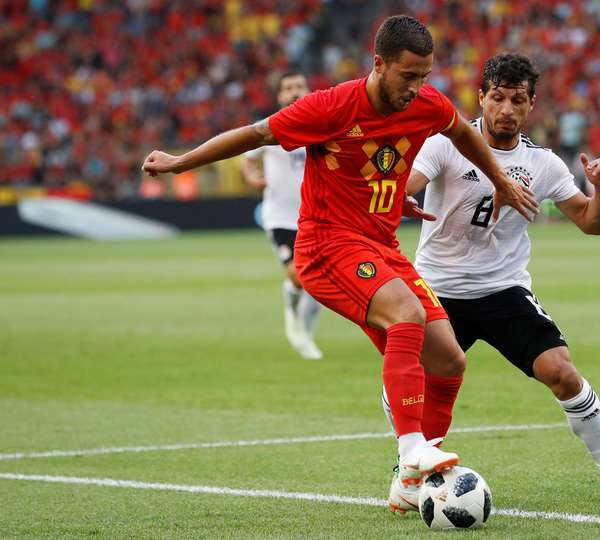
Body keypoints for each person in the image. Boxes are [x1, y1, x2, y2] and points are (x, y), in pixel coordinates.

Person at [141, 16, 538, 512]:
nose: (417, 89)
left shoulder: (427, 104)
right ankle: (412, 450)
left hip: (381, 244)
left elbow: (461, 133)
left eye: (424, 76)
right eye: (407, 76)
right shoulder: (330, 107)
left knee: (448, 358)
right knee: (407, 317)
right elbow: (256, 134)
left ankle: (409, 487)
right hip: (326, 246)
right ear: (379, 64)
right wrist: (182, 162)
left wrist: (498, 179)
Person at [389, 52, 600, 505]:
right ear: (482, 98)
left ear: (531, 105)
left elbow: (591, 223)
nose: (506, 109)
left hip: (502, 290)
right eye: (498, 98)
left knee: (563, 373)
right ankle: (409, 472)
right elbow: (404, 187)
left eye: (517, 100)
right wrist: (398, 195)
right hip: (437, 290)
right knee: (420, 381)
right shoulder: (445, 144)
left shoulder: (543, 163)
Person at [241, 72, 323, 360]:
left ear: (309, 90)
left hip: (318, 217)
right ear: (279, 96)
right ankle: (293, 310)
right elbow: (248, 159)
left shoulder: (321, 127)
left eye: (300, 86)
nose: (295, 92)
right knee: (300, 276)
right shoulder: (270, 129)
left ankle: (306, 335)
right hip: (281, 217)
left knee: (321, 280)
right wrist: (253, 178)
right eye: (288, 88)